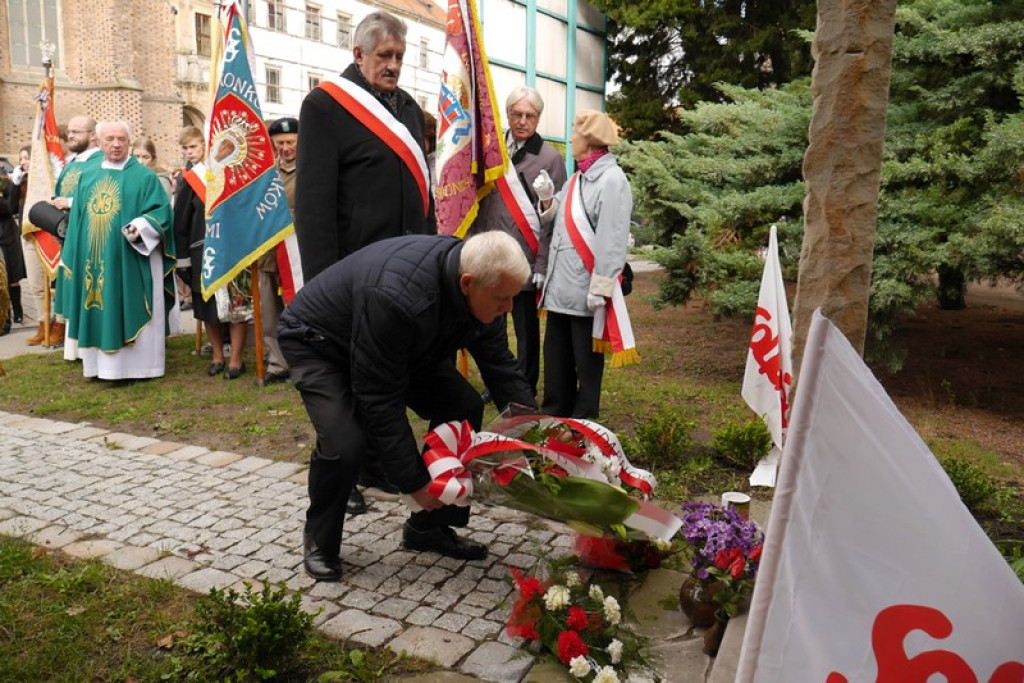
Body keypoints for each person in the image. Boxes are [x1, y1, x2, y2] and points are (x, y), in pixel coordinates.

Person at [278, 231, 536, 581]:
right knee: (344, 442)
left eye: (512, 298)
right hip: (319, 340)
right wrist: (413, 481)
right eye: (502, 299)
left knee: (462, 405)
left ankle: (428, 528)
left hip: (395, 342)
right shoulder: (397, 297)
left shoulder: (486, 287)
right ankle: (320, 540)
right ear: (467, 283)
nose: (509, 308)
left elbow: (500, 367)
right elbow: (379, 398)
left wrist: (535, 438)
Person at [295, 9, 433, 512]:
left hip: (401, 274)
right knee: (347, 379)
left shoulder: (412, 110)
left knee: (387, 372)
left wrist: (429, 254)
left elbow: (424, 192)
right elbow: (312, 205)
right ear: (359, 55)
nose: (393, 65)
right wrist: (321, 283)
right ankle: (343, 477)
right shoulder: (325, 107)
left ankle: (379, 464)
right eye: (384, 56)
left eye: (398, 57)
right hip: (349, 272)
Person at [54, 120, 178, 380]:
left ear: (129, 143)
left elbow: (161, 213)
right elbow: (76, 223)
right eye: (110, 139)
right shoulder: (87, 177)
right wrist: (72, 255)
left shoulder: (144, 177)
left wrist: (142, 226)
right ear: (98, 143)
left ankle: (141, 368)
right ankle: (97, 368)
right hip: (94, 262)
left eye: (122, 139)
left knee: (130, 302)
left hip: (131, 260)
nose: (116, 144)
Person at [469, 86, 567, 397]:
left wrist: (542, 263)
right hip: (489, 253)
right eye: (517, 114)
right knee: (489, 328)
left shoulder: (550, 157)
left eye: (530, 115)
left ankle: (524, 385)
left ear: (538, 118)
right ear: (508, 115)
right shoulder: (493, 148)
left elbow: (555, 218)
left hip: (525, 257)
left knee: (526, 333)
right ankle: (494, 383)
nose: (523, 121)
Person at [535, 109, 634, 419]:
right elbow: (556, 222)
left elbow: (612, 238)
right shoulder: (578, 177)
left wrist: (601, 286)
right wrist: (548, 198)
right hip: (561, 287)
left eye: (575, 134)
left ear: (590, 141)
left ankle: (583, 421)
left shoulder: (612, 179)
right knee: (556, 358)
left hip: (585, 290)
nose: (570, 138)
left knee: (585, 363)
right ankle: (555, 413)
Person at [173, 126, 251, 380]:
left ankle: (236, 359)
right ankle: (218, 355)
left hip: (231, 249)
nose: (189, 152)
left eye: (193, 147)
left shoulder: (229, 172)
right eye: (185, 148)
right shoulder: (189, 179)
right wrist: (183, 260)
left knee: (237, 305)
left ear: (206, 145)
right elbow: (181, 222)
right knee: (208, 308)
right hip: (202, 251)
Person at [40, 116, 101, 347]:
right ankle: (72, 343)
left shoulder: (99, 163)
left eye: (77, 132)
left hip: (89, 239)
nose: (70, 136)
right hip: (67, 236)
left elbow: (101, 198)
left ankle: (88, 341)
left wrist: (71, 203)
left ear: (93, 135)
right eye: (70, 132)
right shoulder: (72, 164)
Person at [258, 116, 298, 385]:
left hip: (298, 253)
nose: (286, 147)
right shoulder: (266, 174)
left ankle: (303, 362)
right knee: (270, 309)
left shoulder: (312, 170)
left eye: (291, 142)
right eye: (280, 142)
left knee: (299, 308)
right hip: (269, 251)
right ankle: (277, 362)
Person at [0, 161, 27, 329]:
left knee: (12, 278)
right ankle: (5, 316)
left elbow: (11, 208)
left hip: (7, 235)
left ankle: (17, 311)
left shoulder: (5, 181)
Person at [131, 136, 174, 200]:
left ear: (153, 159)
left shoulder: (161, 180)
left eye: (145, 157)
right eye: (137, 156)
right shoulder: (128, 176)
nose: (140, 162)